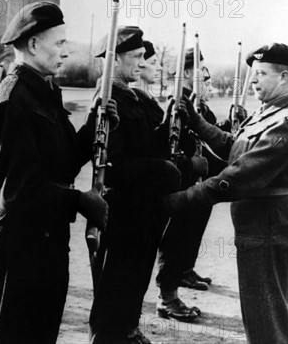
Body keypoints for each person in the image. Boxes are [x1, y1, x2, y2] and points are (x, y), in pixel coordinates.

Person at [0, 1, 115, 344]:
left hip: (47, 238)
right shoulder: (14, 100)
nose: (66, 52)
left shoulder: (44, 92)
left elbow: (63, 161)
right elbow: (18, 191)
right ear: (34, 45)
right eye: (59, 44)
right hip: (21, 241)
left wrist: (95, 125)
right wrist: (78, 200)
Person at [163, 43, 288, 344]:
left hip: (270, 228)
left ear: (283, 77)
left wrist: (181, 200)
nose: (253, 81)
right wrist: (197, 122)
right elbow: (236, 146)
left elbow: (242, 173)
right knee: (261, 318)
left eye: (260, 74)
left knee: (266, 324)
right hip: (259, 227)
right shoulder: (270, 111)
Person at [89, 27, 181, 344]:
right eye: (136, 56)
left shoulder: (133, 95)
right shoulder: (106, 100)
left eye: (144, 57)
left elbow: (149, 143)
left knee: (136, 279)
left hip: (144, 208)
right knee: (116, 284)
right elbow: (112, 168)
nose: (142, 63)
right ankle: (107, 337)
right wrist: (161, 168)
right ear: (114, 60)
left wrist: (170, 120)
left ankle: (127, 329)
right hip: (123, 210)